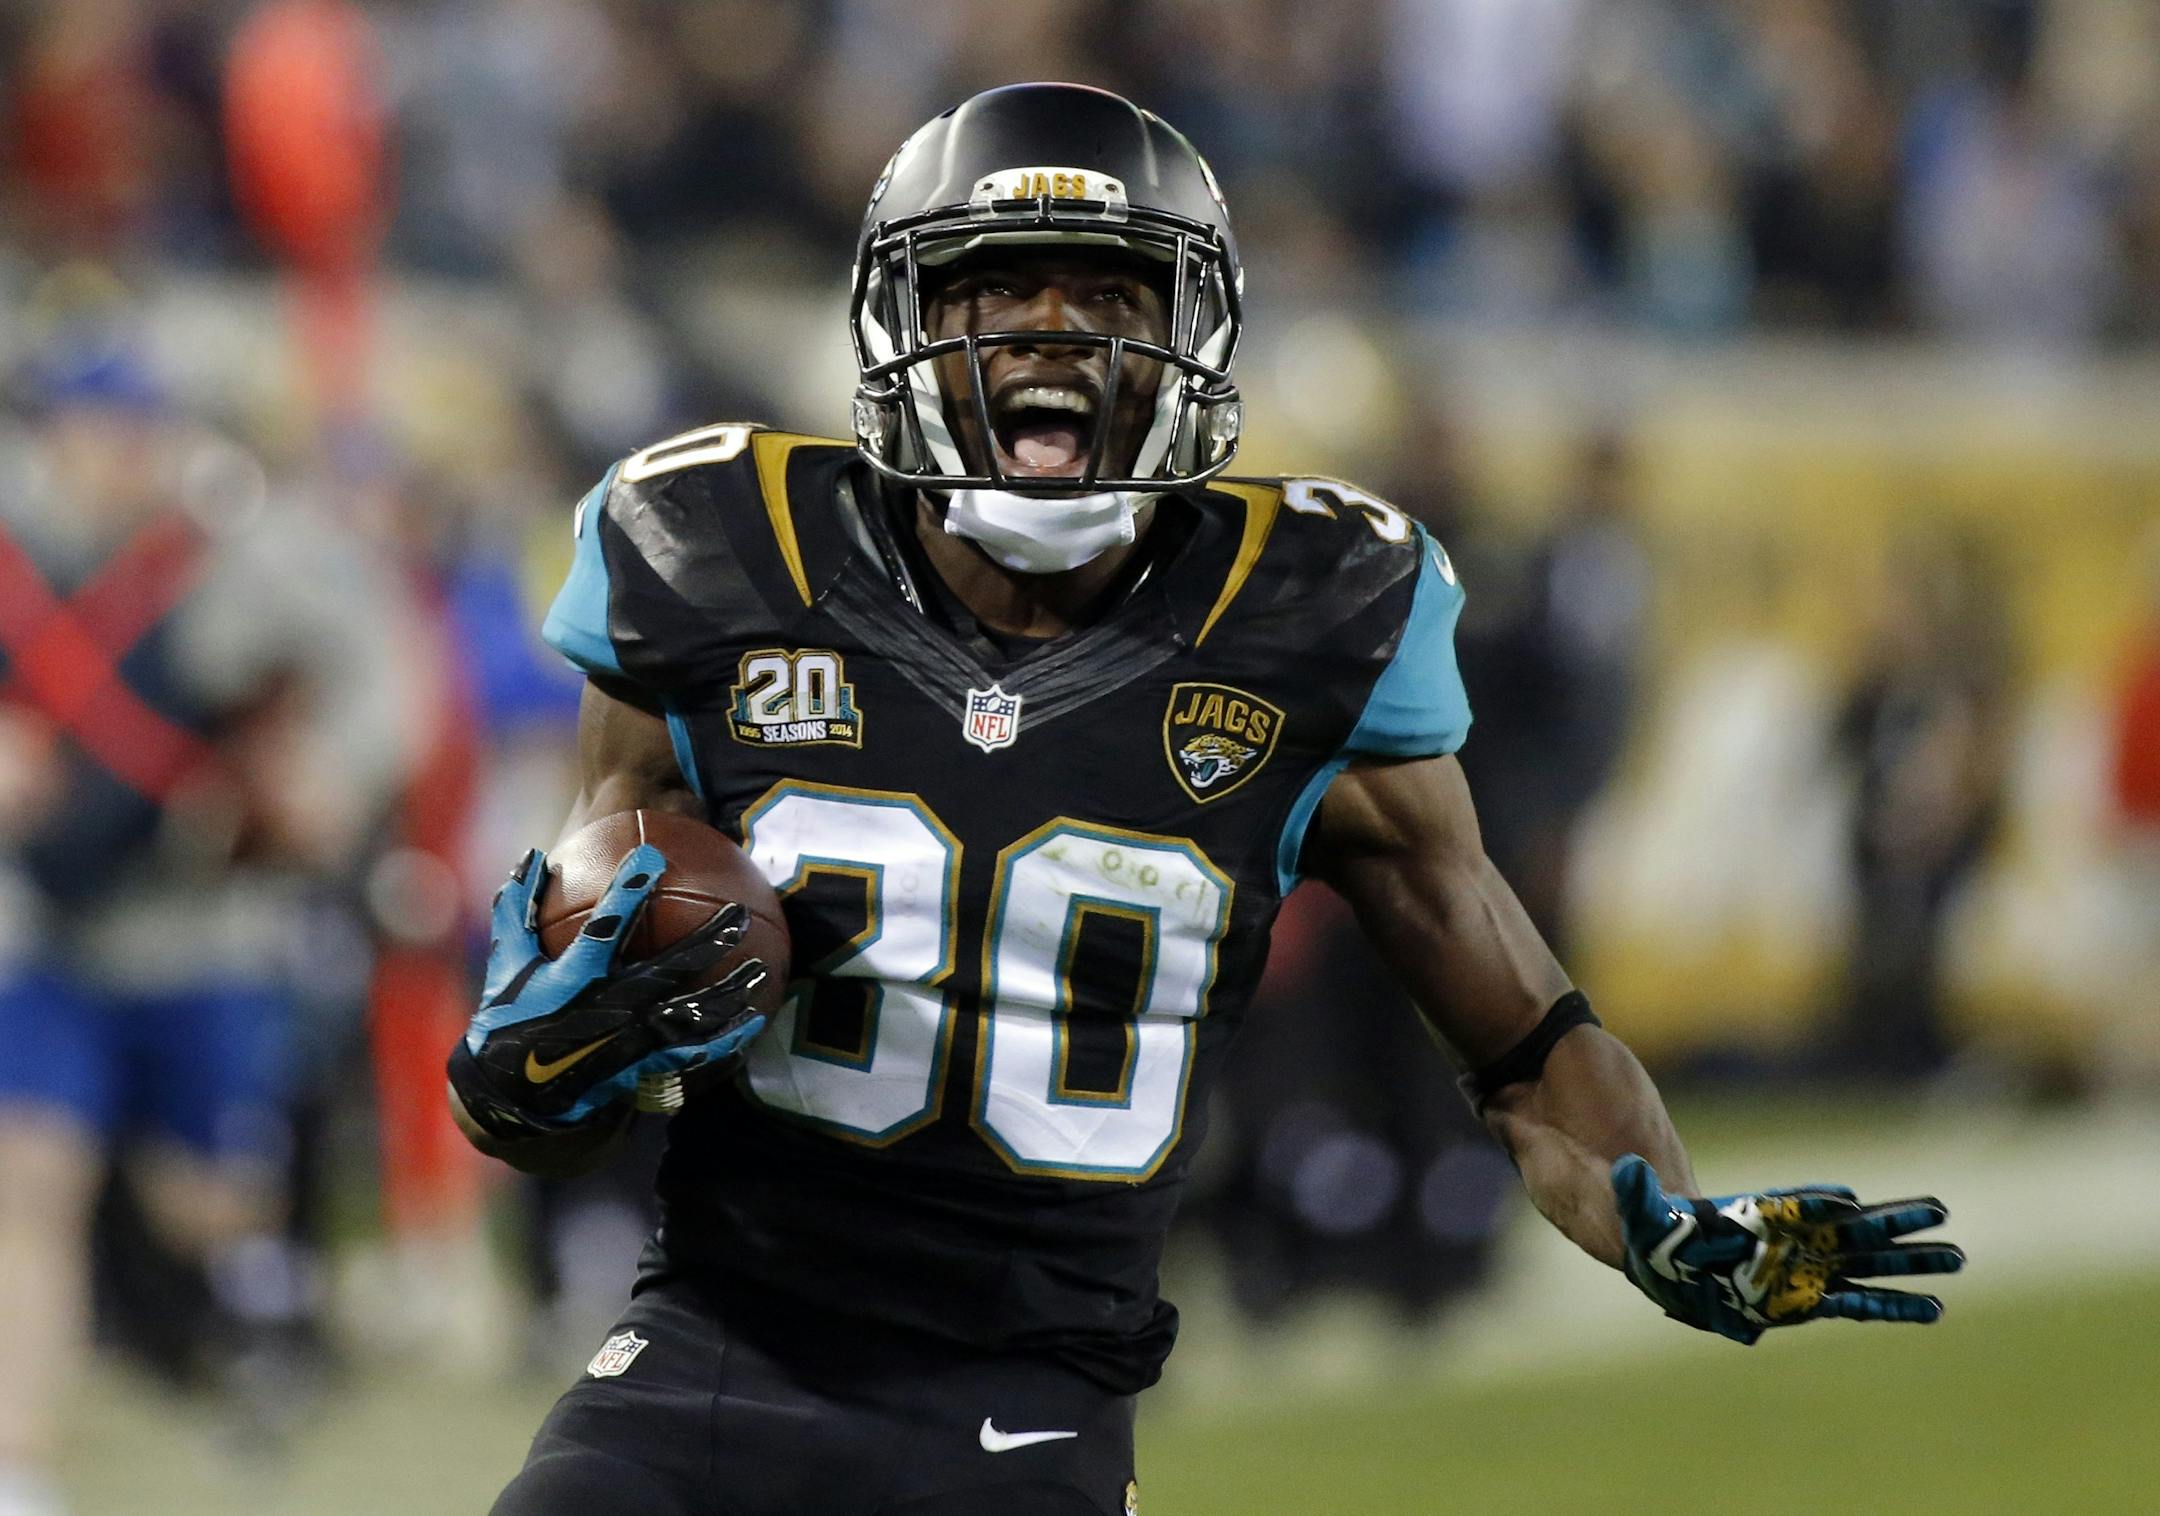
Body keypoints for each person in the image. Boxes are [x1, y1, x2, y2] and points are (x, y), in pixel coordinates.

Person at [449, 84, 1964, 1516]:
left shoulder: (1312, 614)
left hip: (1023, 1407)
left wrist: (1666, 1219)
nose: (1057, 340)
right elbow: (584, 1031)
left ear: (1196, 330)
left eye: (1112, 298)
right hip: (712, 1355)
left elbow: (1525, 1038)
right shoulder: (713, 556)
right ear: (902, 317)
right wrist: (532, 1071)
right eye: (1002, 291)